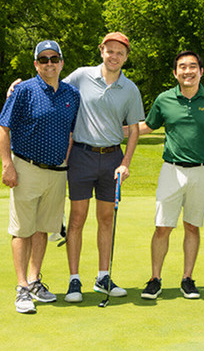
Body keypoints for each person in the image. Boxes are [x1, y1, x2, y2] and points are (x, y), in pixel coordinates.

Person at [58, 32, 144, 303]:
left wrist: (125, 163)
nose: (114, 56)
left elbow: (133, 131)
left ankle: (102, 276)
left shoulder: (130, 89)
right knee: (77, 219)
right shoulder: (82, 76)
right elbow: (53, 87)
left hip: (111, 160)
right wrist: (19, 87)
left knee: (106, 219)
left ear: (126, 57)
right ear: (101, 50)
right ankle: (74, 280)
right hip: (81, 156)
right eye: (110, 51)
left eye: (120, 53)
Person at [0, 40, 80, 314]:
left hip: (56, 173)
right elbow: (2, 128)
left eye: (54, 58)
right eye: (43, 59)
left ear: (62, 62)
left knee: (43, 228)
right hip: (26, 168)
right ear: (36, 64)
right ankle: (21, 287)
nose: (49, 63)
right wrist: (7, 164)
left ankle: (34, 280)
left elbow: (70, 132)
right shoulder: (23, 90)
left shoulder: (72, 94)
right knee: (22, 230)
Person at [134, 50, 204, 300]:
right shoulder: (164, 99)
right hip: (171, 170)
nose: (188, 71)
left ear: (201, 72)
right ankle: (155, 279)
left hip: (203, 171)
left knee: (192, 226)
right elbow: (148, 126)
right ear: (175, 73)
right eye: (182, 67)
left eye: (193, 66)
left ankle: (187, 278)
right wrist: (113, 131)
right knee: (162, 227)